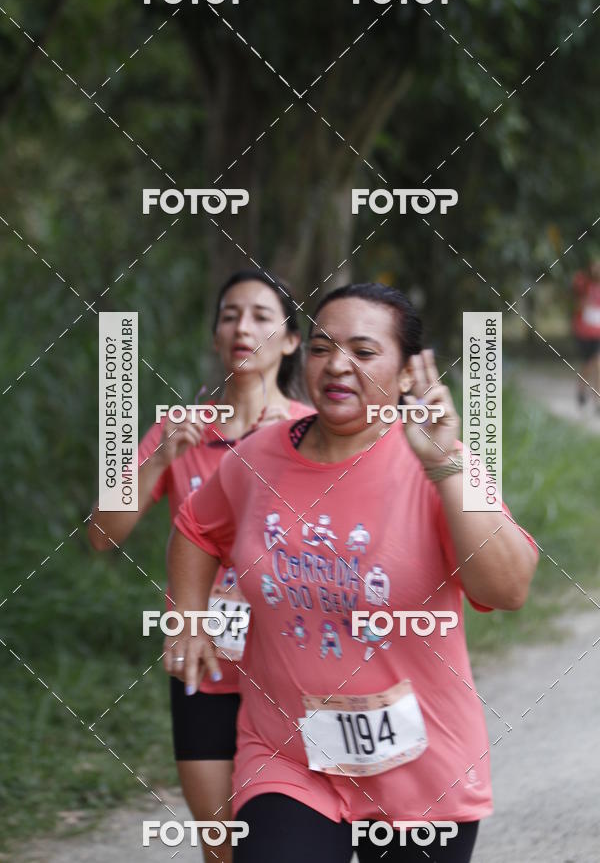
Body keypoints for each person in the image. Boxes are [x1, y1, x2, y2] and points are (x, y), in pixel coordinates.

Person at [166, 282, 539, 862]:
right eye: (320, 347)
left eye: (363, 352)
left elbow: (508, 588)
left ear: (408, 372)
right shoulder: (256, 458)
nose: (337, 365)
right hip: (287, 757)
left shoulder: (437, 467)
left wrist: (446, 469)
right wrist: (187, 616)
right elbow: (195, 526)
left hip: (422, 771)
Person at [88, 269, 314, 863]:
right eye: (230, 314)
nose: (244, 327)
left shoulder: (313, 434)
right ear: (216, 336)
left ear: (291, 341)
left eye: (263, 316)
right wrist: (161, 456)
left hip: (298, 668)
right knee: (224, 848)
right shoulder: (180, 430)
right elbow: (101, 534)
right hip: (206, 664)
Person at [572, 257, 600, 411]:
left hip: (598, 333)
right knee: (588, 364)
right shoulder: (583, 284)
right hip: (583, 332)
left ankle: (597, 400)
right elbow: (577, 305)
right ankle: (581, 389)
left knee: (597, 363)